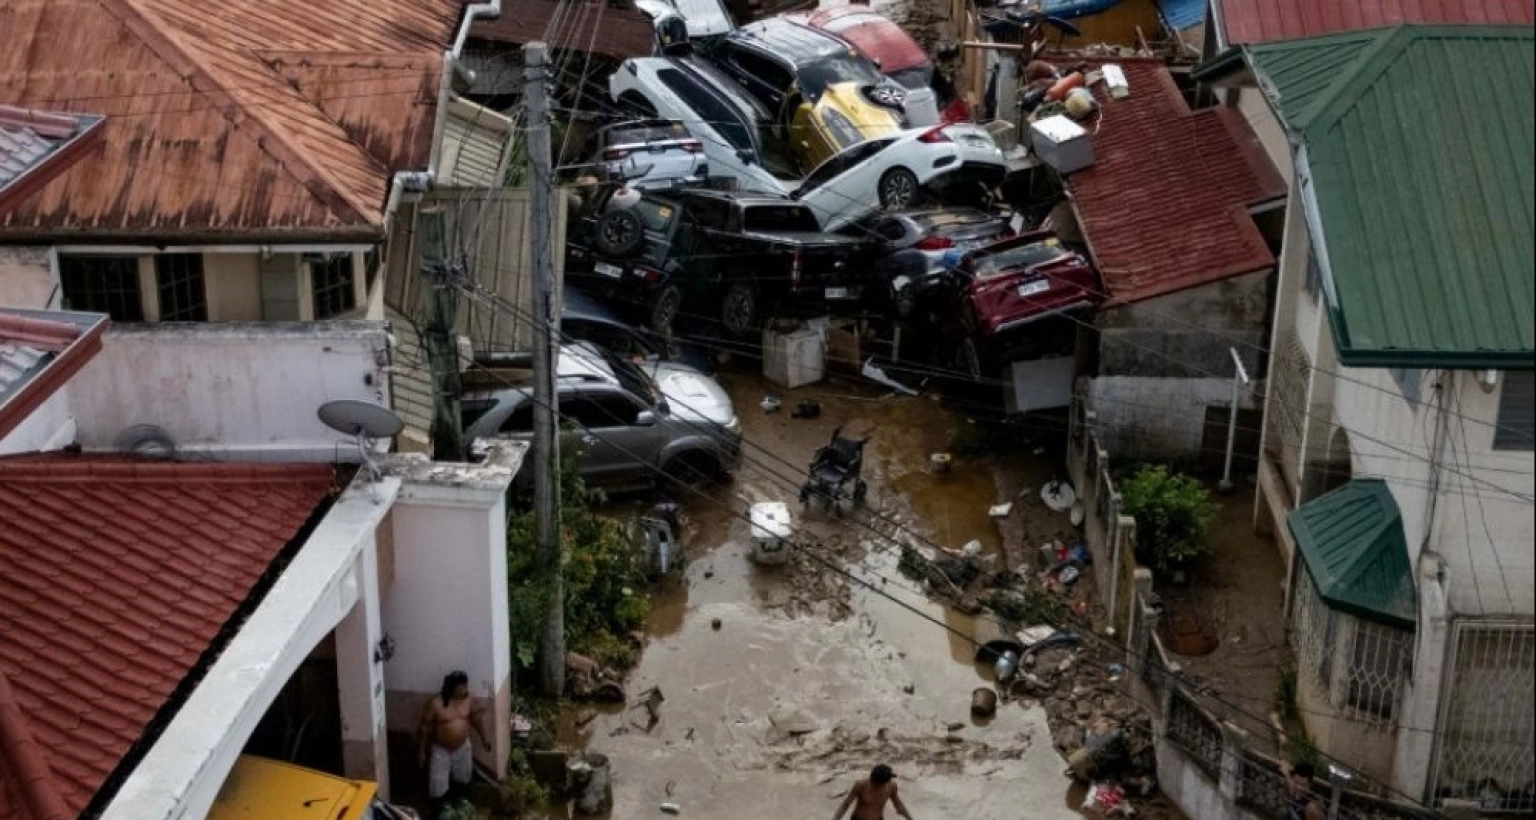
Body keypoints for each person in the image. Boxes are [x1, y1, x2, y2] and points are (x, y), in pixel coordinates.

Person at [418, 670, 490, 816]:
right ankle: (440, 809)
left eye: (465, 686)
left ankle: (460, 803)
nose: (464, 690)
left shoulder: (469, 700)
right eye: (460, 688)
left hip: (462, 747)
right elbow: (424, 728)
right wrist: (421, 751)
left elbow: (476, 720)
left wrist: (484, 738)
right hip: (441, 749)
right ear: (451, 688)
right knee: (438, 782)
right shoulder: (435, 704)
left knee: (463, 776)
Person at [832, 764, 913, 820]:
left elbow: (898, 804)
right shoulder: (861, 785)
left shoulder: (892, 787)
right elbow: (845, 805)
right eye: (887, 781)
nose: (889, 782)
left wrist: (910, 818)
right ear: (878, 783)